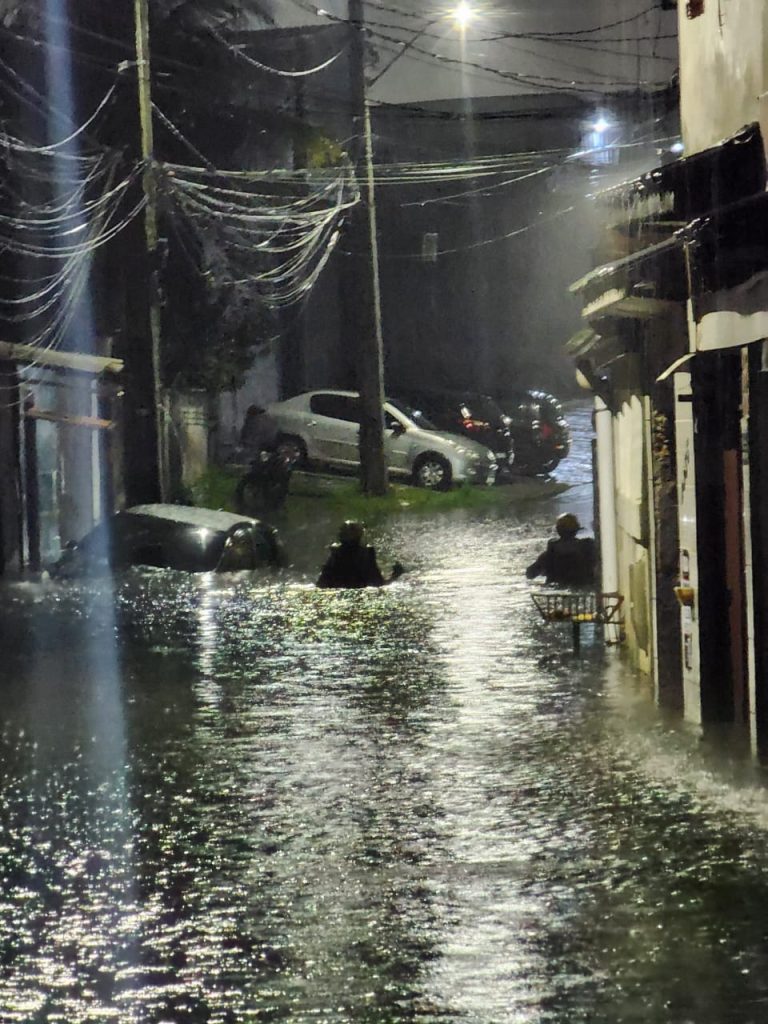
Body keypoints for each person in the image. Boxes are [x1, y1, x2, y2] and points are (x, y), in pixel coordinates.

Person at [317, 521, 404, 589]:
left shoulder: (335, 555)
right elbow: (378, 584)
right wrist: (394, 576)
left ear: (340, 537)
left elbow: (321, 584)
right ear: (360, 536)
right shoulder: (366, 554)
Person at [526, 513, 596, 587]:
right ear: (576, 530)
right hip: (583, 588)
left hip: (556, 590)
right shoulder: (587, 546)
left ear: (558, 531)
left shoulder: (550, 553)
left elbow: (530, 574)